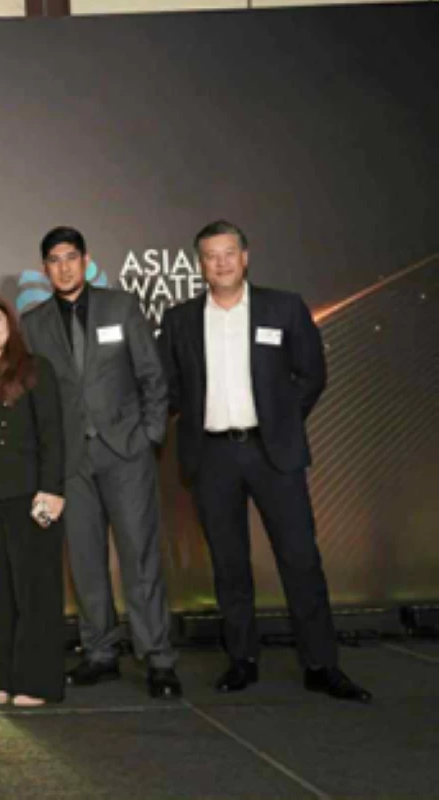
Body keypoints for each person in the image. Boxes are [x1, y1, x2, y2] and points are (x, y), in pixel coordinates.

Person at [161, 220, 371, 702]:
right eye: (211, 255)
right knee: (229, 564)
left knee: (300, 559)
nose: (221, 263)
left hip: (272, 452)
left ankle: (321, 664)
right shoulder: (180, 320)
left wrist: (281, 421)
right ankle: (242, 660)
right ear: (201, 264)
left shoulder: (284, 307)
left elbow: (312, 373)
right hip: (212, 454)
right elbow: (170, 386)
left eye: (229, 252)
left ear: (246, 256)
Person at [21, 227, 181, 699]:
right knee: (87, 560)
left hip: (125, 452)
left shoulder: (120, 306)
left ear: (86, 260)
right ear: (45, 268)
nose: (64, 266)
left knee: (139, 556)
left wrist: (149, 436)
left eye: (72, 257)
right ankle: (100, 653)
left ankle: (158, 658)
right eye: (54, 259)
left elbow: (153, 376)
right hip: (71, 461)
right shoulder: (33, 324)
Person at [0, 292, 66, 707]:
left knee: (33, 586)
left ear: (11, 325)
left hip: (29, 489)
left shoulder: (35, 369)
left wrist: (52, 489)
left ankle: (36, 681)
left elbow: (54, 434)